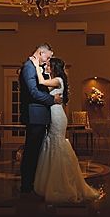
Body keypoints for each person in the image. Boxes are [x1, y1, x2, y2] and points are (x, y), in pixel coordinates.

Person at [33, 57, 104, 204]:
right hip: (53, 114)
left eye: (48, 65)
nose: (46, 66)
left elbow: (41, 83)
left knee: (57, 144)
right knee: (52, 143)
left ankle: (62, 184)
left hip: (57, 116)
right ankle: (50, 181)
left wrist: (37, 67)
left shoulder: (58, 80)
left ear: (54, 68)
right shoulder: (55, 80)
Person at [18, 43, 62, 194]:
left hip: (39, 115)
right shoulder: (29, 66)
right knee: (31, 151)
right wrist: (52, 100)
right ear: (41, 52)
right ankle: (26, 185)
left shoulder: (35, 66)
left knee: (35, 151)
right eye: (47, 57)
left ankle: (31, 183)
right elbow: (33, 92)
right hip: (34, 115)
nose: (48, 61)